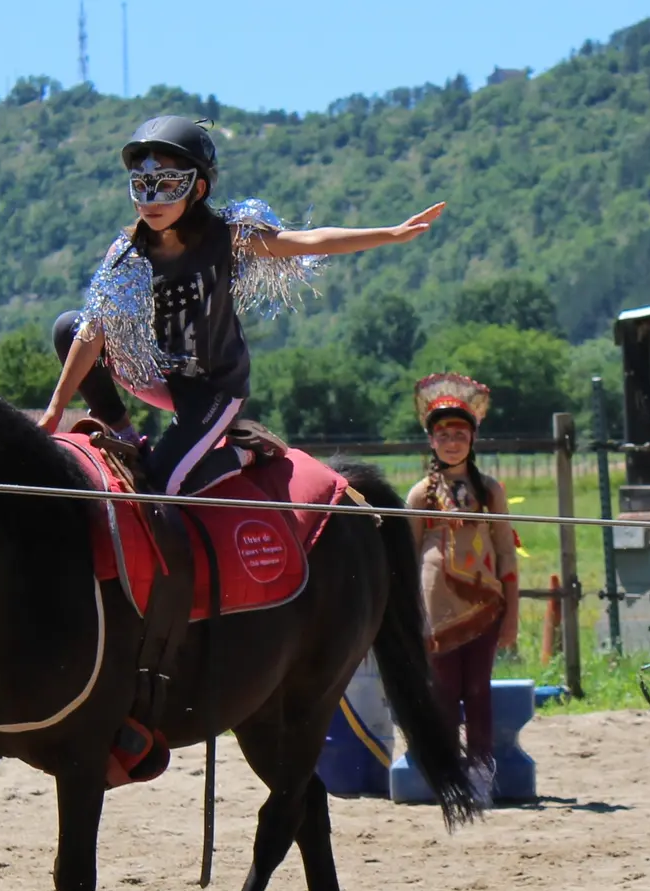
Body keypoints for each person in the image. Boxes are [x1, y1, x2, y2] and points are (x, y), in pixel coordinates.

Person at [40, 115, 444, 494]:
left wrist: (392, 233)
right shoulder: (127, 253)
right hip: (160, 375)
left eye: (166, 185)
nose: (150, 198)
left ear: (197, 189)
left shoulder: (227, 237)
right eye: (141, 184)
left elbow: (311, 241)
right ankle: (127, 436)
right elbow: (93, 331)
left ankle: (247, 451)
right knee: (70, 326)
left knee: (161, 488)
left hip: (215, 388)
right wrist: (55, 411)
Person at [405, 374, 519, 805]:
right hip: (437, 609)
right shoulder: (420, 495)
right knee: (444, 692)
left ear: (473, 438)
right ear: (432, 441)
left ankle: (480, 775)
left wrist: (511, 612)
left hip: (485, 605)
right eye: (443, 435)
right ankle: (448, 777)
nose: (452, 442)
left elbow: (506, 552)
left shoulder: (490, 492)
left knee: (478, 690)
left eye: (460, 434)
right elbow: (408, 557)